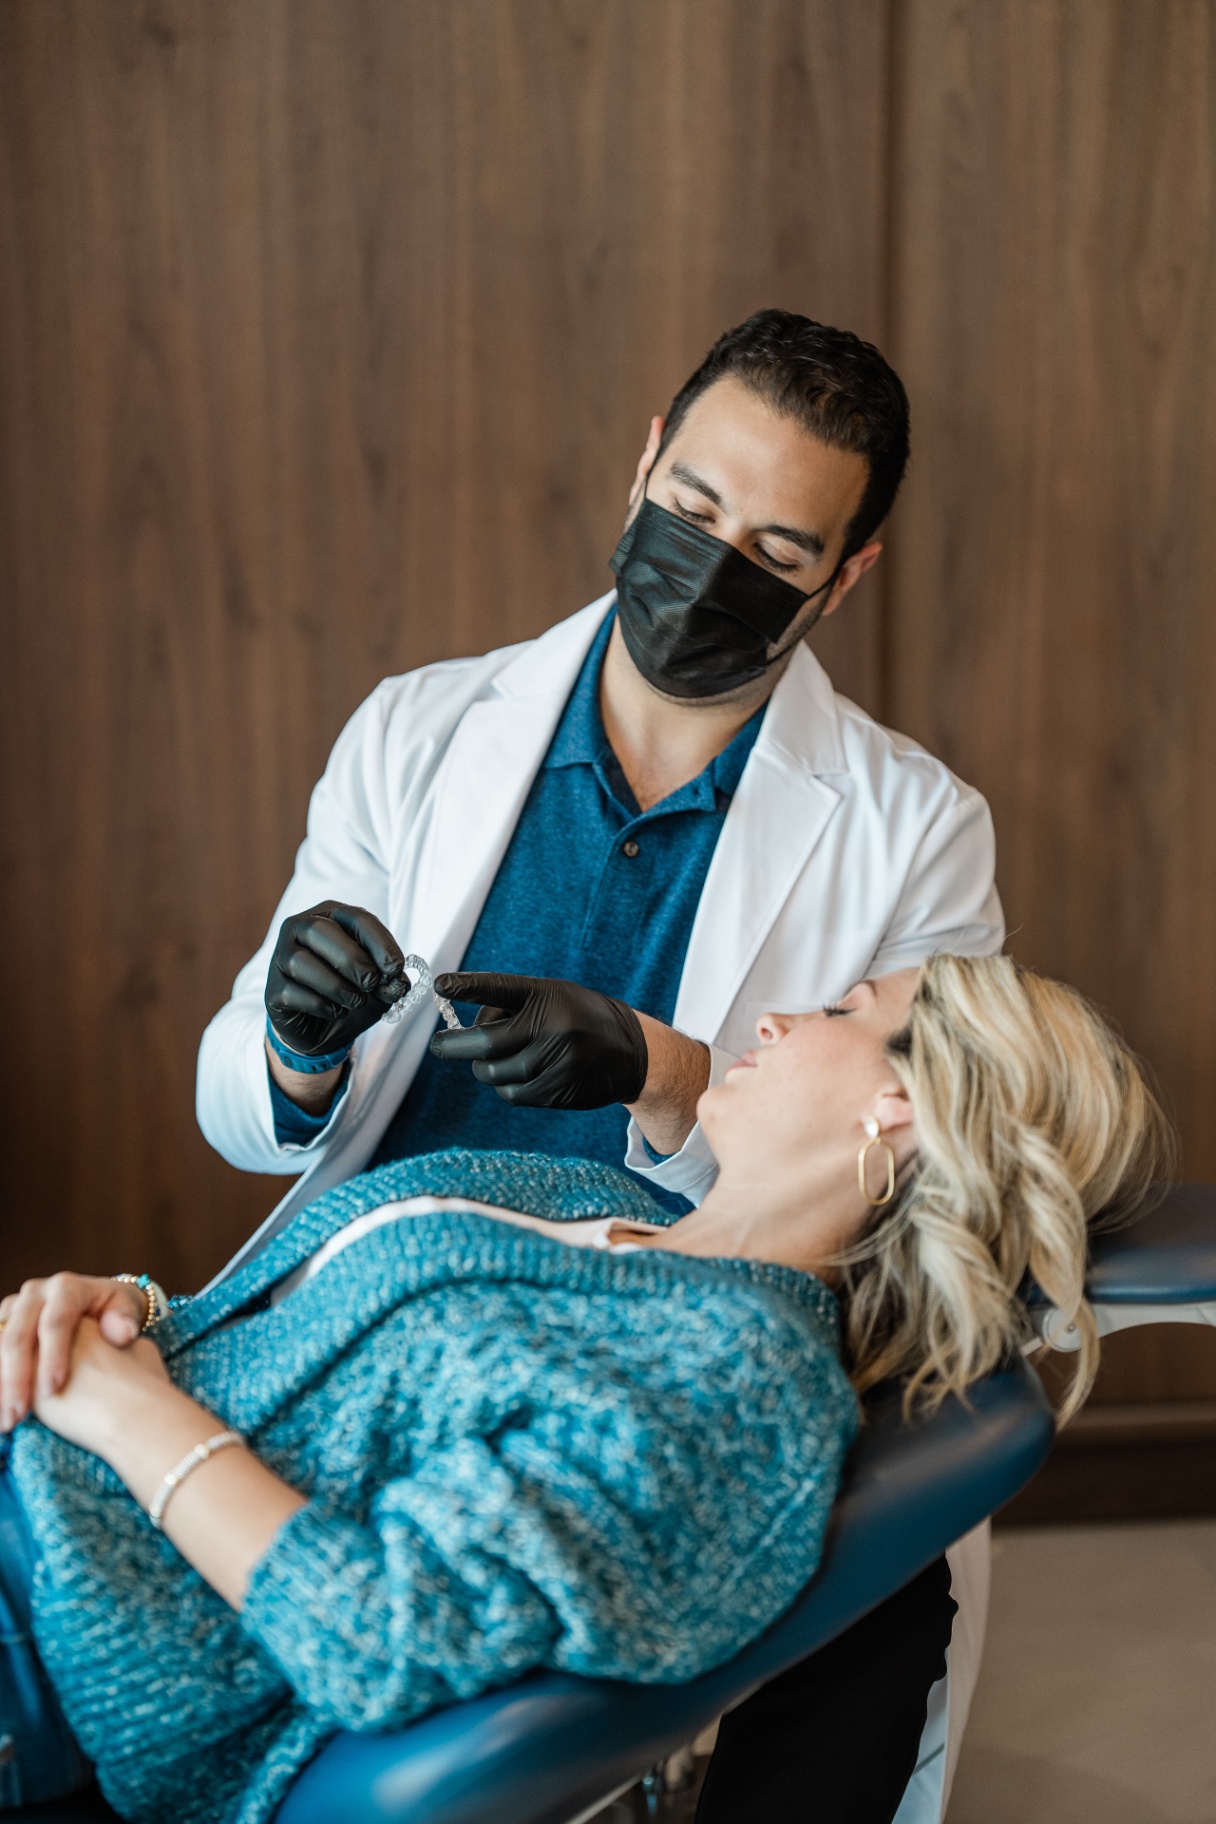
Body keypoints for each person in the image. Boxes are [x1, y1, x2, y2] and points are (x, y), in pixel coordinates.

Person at [196, 310, 1006, 1819]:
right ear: (643, 462)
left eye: (774, 548)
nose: (709, 563)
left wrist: (668, 1073)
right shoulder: (421, 731)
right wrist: (297, 1048)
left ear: (848, 574)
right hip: (396, 1300)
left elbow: (910, 1177)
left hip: (654, 1338)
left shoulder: (916, 830)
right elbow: (245, 1113)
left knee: (867, 1590)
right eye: (691, 509)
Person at [0, 957, 1169, 1820]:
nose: (772, 1017)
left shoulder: (741, 1383)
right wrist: (131, 1312)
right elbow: (291, 1334)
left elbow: (387, 1634)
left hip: (47, 1620)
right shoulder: (601, 1206)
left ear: (897, 1110)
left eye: (843, 1010)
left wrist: (122, 1409)